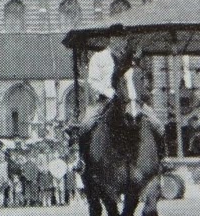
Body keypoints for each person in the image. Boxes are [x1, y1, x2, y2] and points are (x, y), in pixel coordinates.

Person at [70, 25, 167, 167]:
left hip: (131, 100)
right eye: (117, 38)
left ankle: (162, 159)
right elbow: (92, 81)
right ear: (111, 39)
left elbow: (137, 81)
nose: (121, 41)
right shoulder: (99, 57)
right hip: (106, 100)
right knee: (86, 124)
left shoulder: (131, 60)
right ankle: (82, 160)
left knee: (157, 124)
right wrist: (108, 92)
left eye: (123, 38)